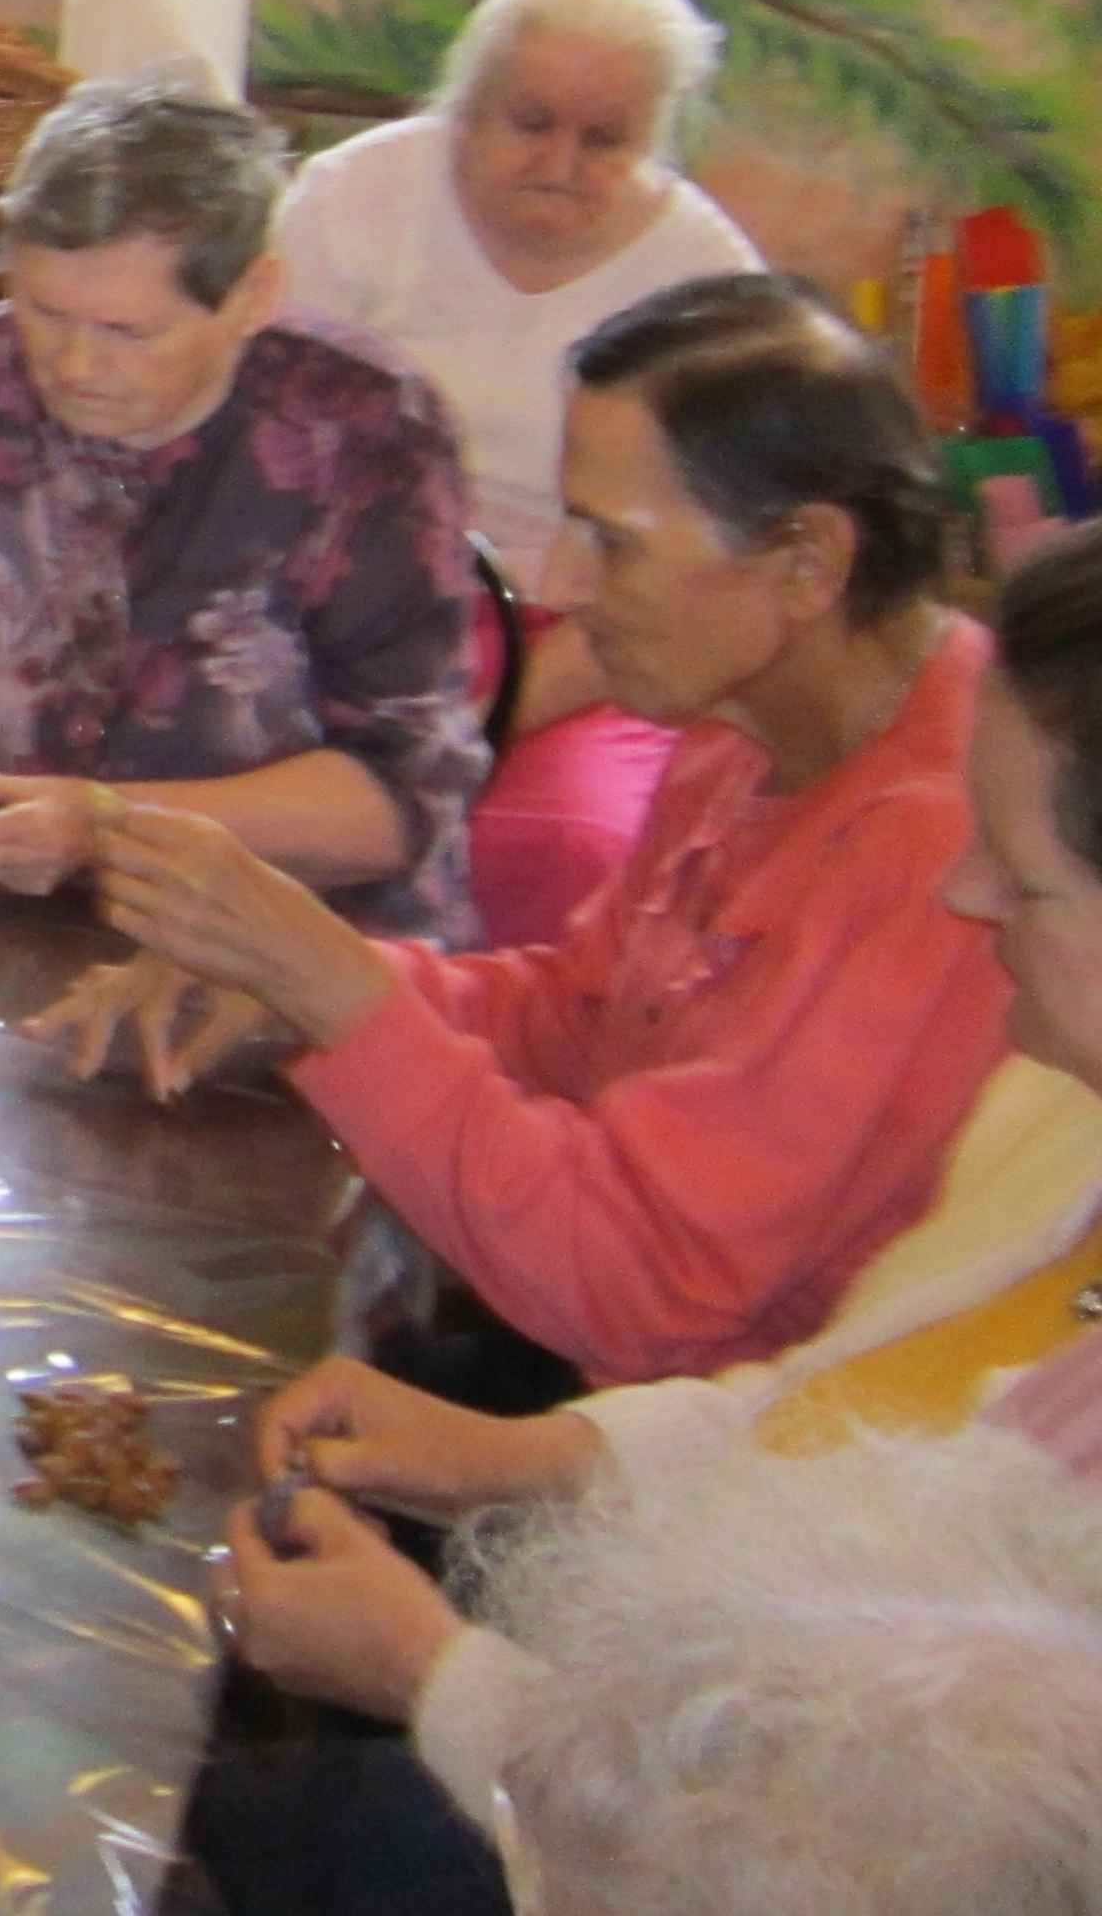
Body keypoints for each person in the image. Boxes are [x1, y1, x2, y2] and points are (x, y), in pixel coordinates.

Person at [177, 521, 1102, 1916]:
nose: (964, 893)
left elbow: (817, 1864)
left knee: (234, 1835)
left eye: (1023, 878)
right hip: (633, 1702)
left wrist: (432, 1675)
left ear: (809, 560)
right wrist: (512, 1459)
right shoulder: (1062, 1108)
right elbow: (830, 1402)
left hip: (641, 1831)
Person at [50, 276, 1020, 1387]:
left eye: (612, 541)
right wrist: (290, 974)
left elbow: (638, 1291)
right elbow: (583, 1018)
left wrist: (331, 985)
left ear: (807, 562)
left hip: (760, 1439)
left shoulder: (946, 855)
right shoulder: (750, 722)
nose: (566, 585)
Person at [0, 77, 484, 947]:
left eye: (127, 332)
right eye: (42, 312)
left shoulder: (365, 431)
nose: (74, 365)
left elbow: (401, 803)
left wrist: (109, 825)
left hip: (269, 932)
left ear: (252, 296)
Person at [274, 0, 762, 943]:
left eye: (606, 139)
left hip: (591, 644)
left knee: (572, 848)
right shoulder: (351, 200)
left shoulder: (707, 280)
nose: (561, 165)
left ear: (657, 137)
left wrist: (498, 706)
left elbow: (699, 570)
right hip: (347, 610)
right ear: (467, 103)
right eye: (530, 123)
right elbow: (262, 467)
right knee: (258, 798)